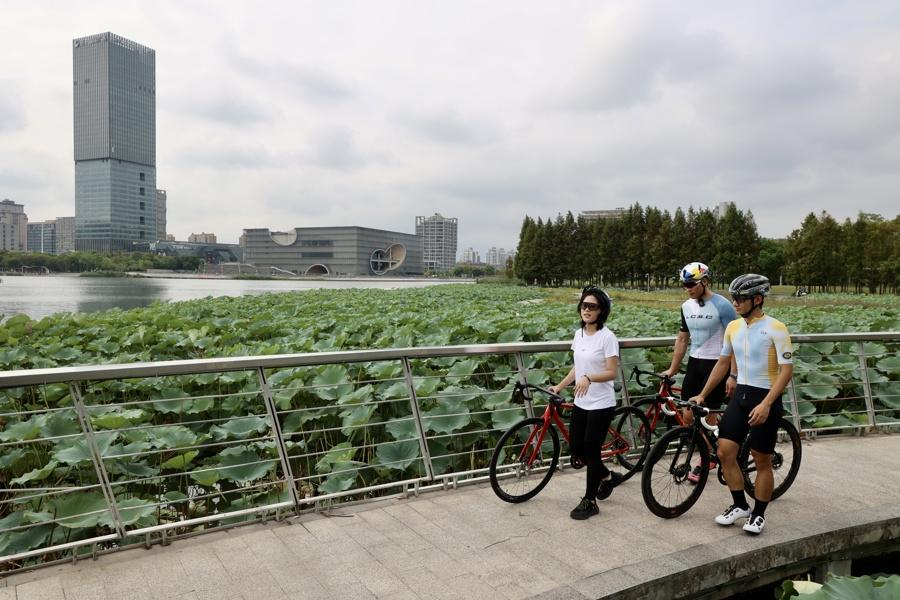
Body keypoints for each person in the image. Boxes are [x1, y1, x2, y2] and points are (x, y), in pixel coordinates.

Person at [690, 274, 793, 535]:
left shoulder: (776, 328)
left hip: (765, 398)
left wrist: (768, 404)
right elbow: (723, 363)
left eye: (740, 299)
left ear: (757, 299)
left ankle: (758, 514)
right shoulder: (733, 327)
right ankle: (739, 505)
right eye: (733, 298)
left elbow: (786, 371)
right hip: (742, 396)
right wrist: (703, 393)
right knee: (725, 453)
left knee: (762, 461)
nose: (734, 303)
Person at [549, 285, 622, 520]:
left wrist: (590, 378)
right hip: (582, 401)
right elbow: (577, 368)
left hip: (601, 402)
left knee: (591, 448)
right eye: (584, 305)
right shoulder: (579, 334)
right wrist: (560, 386)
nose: (587, 310)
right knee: (577, 448)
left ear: (602, 311)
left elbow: (611, 372)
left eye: (592, 306)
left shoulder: (607, 337)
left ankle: (590, 500)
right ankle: (608, 477)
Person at [661, 262, 737, 483]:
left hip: (717, 364)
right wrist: (673, 368)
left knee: (707, 416)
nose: (687, 288)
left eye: (691, 284)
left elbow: (735, 341)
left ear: (705, 282)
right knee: (687, 415)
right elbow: (683, 338)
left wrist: (733, 374)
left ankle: (709, 459)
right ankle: (710, 449)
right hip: (695, 363)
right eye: (684, 285)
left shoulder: (722, 305)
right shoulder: (686, 306)